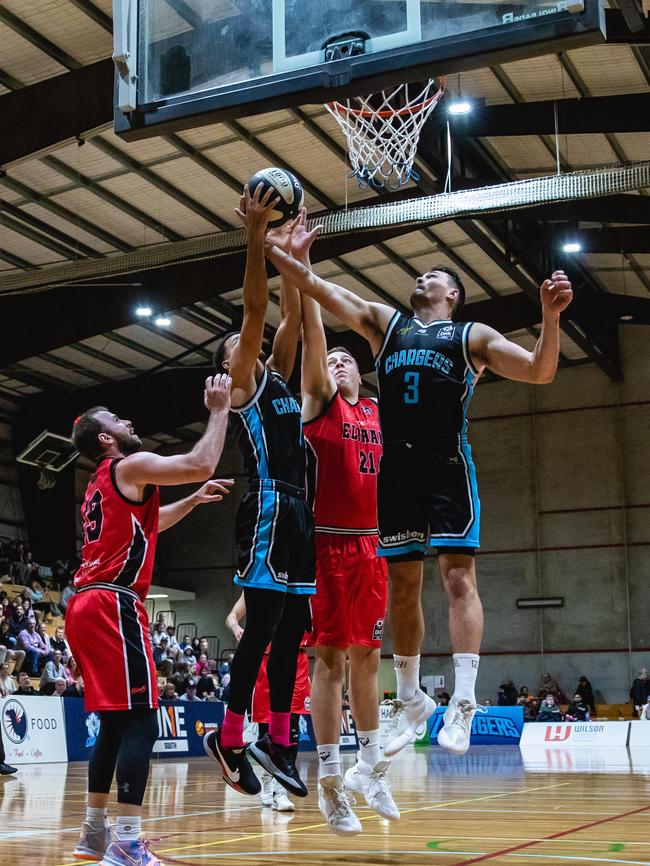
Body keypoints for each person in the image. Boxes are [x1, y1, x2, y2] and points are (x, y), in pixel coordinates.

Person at [266, 230, 573, 757]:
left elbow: (540, 372)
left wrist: (549, 318)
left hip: (447, 464)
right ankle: (409, 695)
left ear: (452, 294)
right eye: (419, 274)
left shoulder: (471, 335)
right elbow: (318, 289)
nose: (420, 277)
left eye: (432, 275)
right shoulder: (388, 324)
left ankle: (465, 701)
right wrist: (284, 252)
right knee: (402, 584)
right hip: (398, 468)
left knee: (457, 579)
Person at [65, 374, 232, 866]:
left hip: (86, 603)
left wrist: (193, 502)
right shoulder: (130, 464)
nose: (128, 422)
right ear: (105, 438)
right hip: (113, 603)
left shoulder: (102, 484)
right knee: (141, 719)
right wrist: (220, 409)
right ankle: (127, 841)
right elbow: (201, 462)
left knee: (115, 723)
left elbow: (147, 526)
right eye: (118, 420)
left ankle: (94, 833)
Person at [284, 210, 397, 833]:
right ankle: (329, 783)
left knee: (367, 661)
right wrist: (304, 272)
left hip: (374, 549)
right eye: (334, 360)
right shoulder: (321, 408)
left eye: (351, 361)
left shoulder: (379, 414)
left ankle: (372, 768)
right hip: (327, 547)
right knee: (327, 661)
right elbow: (316, 336)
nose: (341, 363)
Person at [204, 184, 314, 800]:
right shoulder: (244, 380)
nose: (249, 343)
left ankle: (278, 740)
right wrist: (254, 239)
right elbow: (253, 315)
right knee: (264, 625)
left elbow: (291, 317)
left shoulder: (278, 376)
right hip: (269, 501)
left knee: (293, 626)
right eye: (239, 347)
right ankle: (229, 733)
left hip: (299, 508)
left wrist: (295, 259)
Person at [225, 591, 310, 813]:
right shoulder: (263, 580)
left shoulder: (303, 579)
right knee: (266, 724)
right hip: (265, 659)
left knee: (291, 724)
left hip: (297, 658)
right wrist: (236, 628)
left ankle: (281, 789)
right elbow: (232, 616)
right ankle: (268, 782)